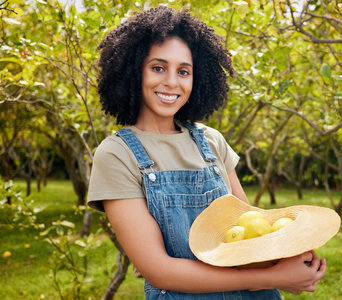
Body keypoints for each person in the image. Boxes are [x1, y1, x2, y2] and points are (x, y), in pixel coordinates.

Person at [87, 6, 326, 299]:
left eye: (184, 71)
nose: (172, 82)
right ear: (132, 71)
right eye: (158, 68)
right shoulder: (117, 155)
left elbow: (251, 232)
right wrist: (273, 276)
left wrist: (291, 253)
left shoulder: (211, 141)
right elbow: (158, 269)